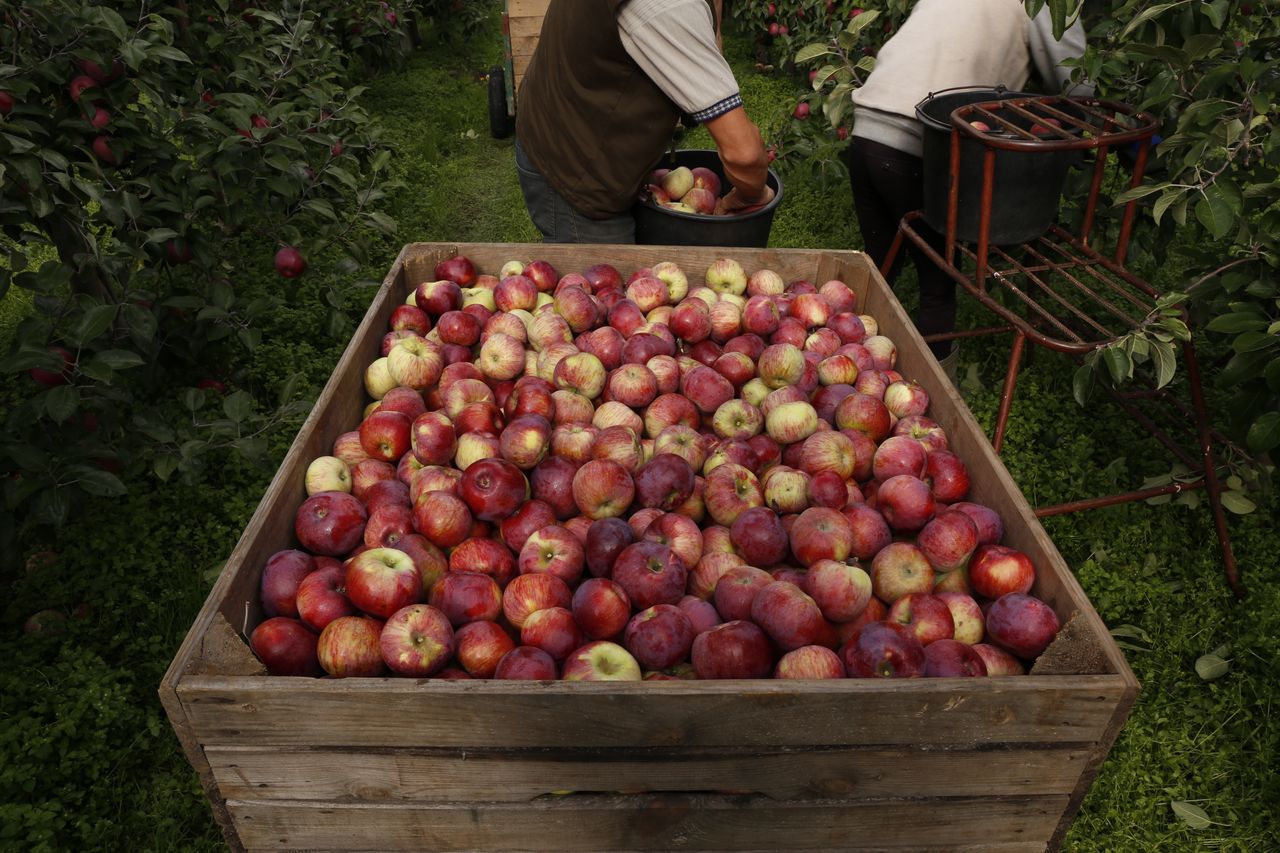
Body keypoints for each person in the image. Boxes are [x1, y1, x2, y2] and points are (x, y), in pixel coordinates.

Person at [845, 0, 1093, 366]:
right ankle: (934, 393)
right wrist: (1086, 124)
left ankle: (845, 362)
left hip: (866, 129)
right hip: (919, 142)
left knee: (880, 264)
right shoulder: (1048, 4)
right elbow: (1074, 78)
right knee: (939, 283)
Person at [515, 0, 774, 244]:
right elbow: (745, 156)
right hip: (576, 171)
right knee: (606, 285)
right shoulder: (666, 8)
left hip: (564, 115)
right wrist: (749, 195)